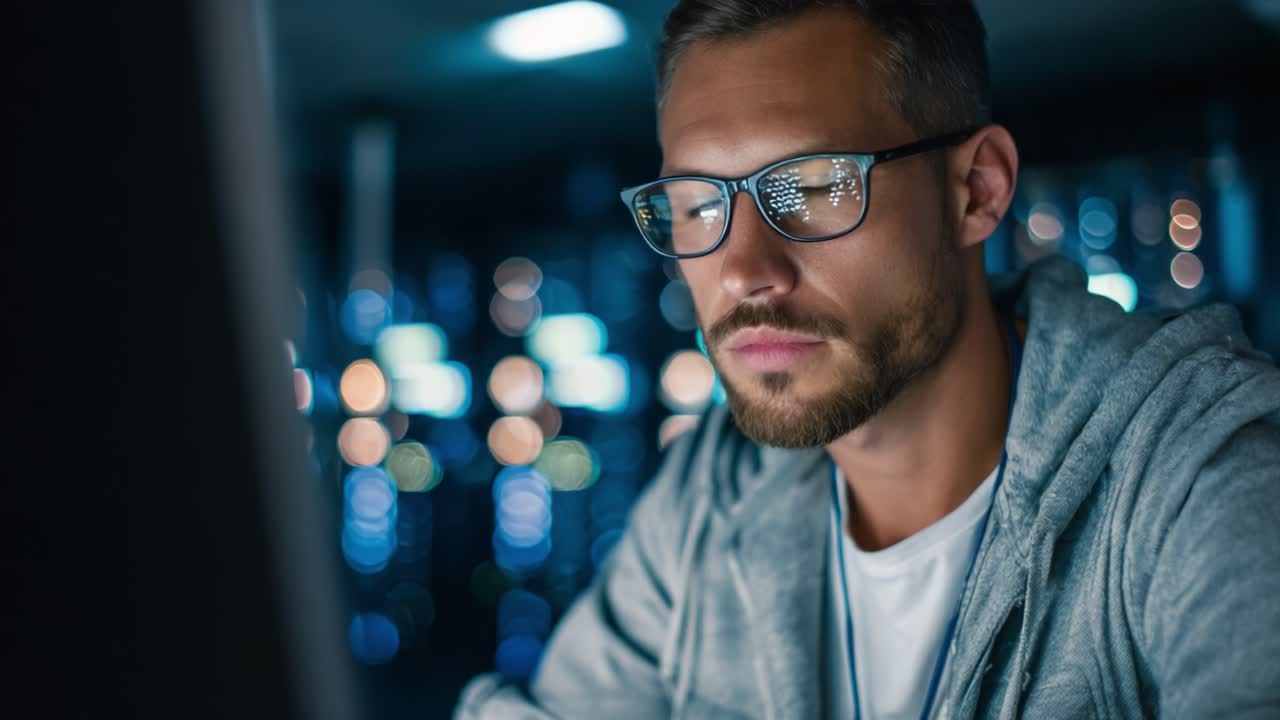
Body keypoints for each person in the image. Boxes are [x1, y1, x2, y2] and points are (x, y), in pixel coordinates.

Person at [455, 1, 1280, 717]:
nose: (743, 271)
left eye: (814, 187)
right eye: (698, 203)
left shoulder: (1200, 476)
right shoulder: (714, 491)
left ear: (978, 190)